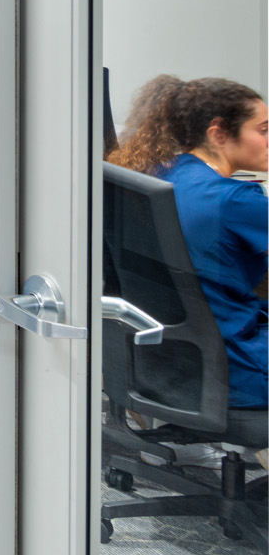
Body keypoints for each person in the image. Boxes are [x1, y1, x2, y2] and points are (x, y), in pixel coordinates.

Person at [108, 75, 269, 413]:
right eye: (264, 130)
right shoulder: (237, 200)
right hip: (237, 370)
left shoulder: (155, 174)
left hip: (169, 365)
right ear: (218, 133)